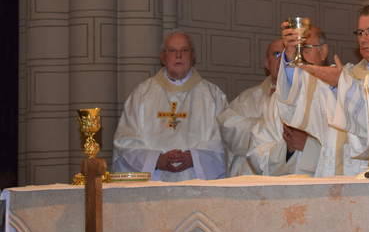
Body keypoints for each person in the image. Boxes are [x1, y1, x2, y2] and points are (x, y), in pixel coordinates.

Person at [303, 3, 369, 174]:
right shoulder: (348, 74)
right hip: (336, 176)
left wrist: (342, 86)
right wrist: (293, 54)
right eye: (360, 33)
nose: (363, 39)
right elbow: (309, 116)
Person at [113, 31, 228, 181]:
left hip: (197, 185)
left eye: (184, 50)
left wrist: (193, 158)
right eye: (172, 51)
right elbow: (125, 141)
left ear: (193, 56)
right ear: (163, 57)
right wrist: (155, 160)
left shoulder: (213, 96)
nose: (178, 56)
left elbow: (224, 141)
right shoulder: (141, 94)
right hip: (153, 186)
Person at [247, 26, 335, 176]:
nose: (297, 56)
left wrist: (308, 146)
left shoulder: (337, 90)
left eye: (304, 48)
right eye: (293, 49)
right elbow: (257, 152)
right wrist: (287, 150)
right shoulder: (278, 98)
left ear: (323, 51)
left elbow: (352, 149)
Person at [217, 38, 283, 176]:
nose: (282, 60)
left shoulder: (306, 97)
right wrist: (269, 126)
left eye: (287, 54)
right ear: (266, 63)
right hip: (249, 175)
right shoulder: (248, 98)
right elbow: (228, 128)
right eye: (277, 54)